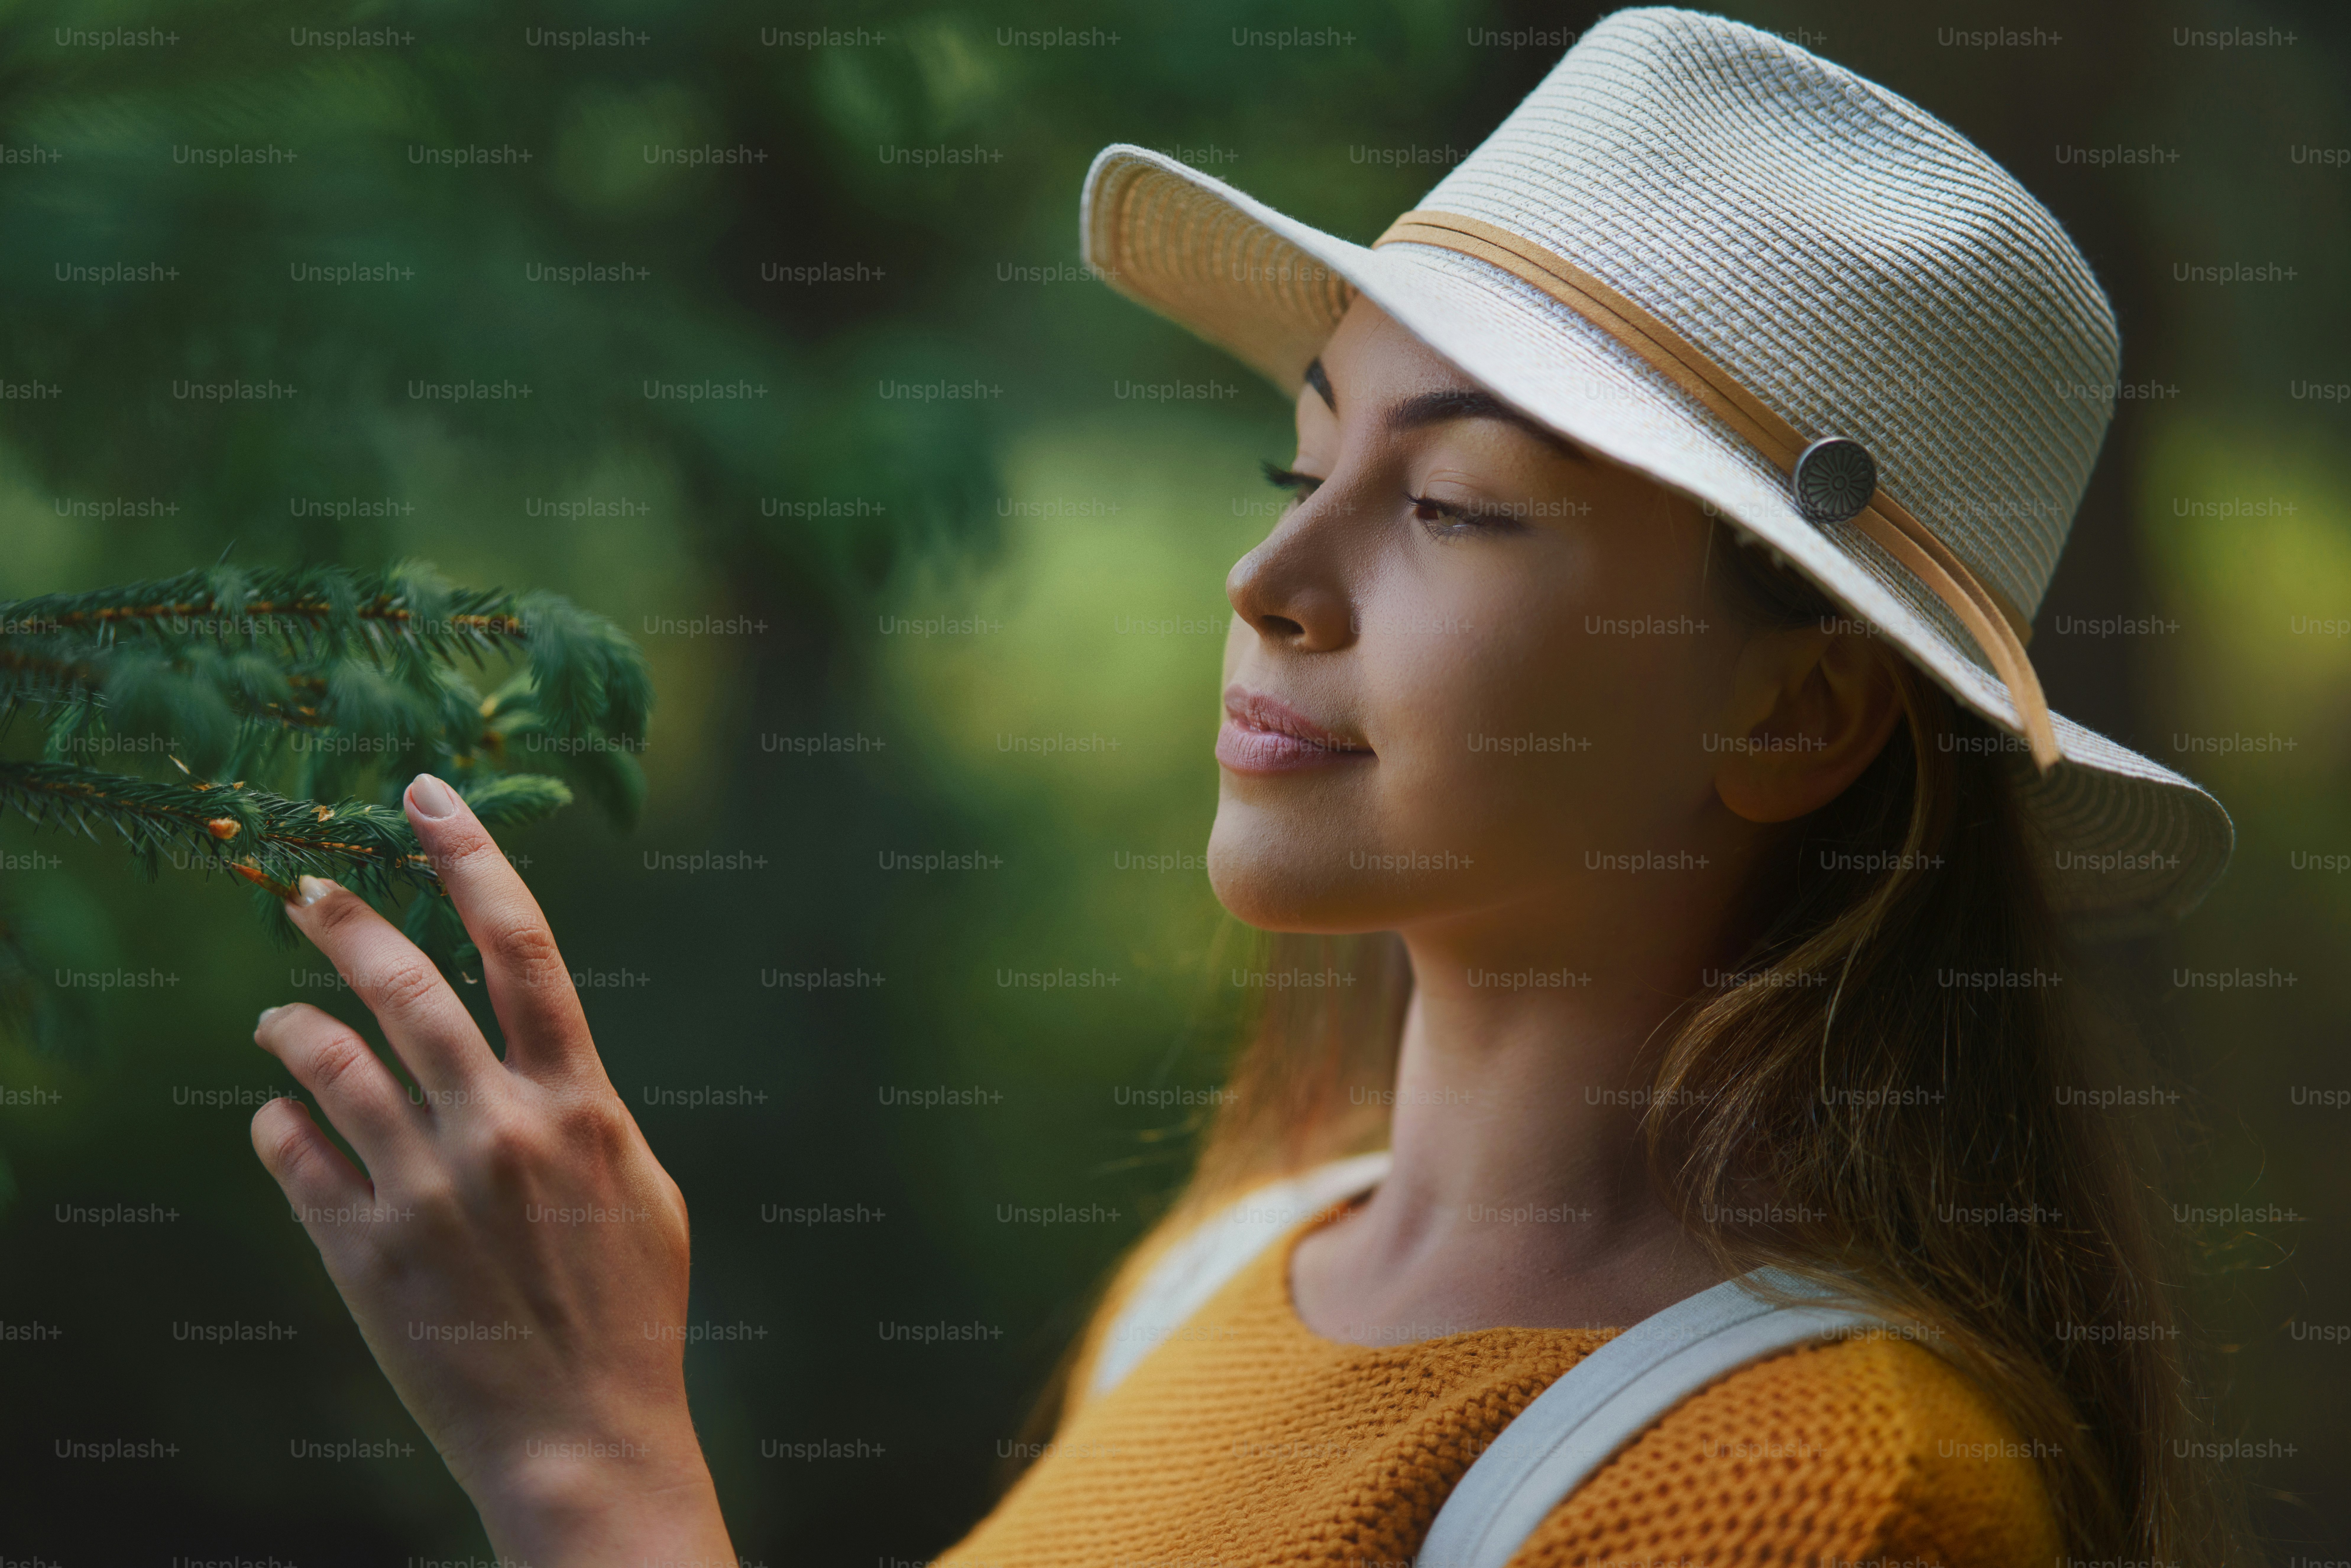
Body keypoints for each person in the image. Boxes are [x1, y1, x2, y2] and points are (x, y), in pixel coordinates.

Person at [245, 9, 2242, 1564]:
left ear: (1800, 717)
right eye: (1306, 471)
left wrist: (598, 1480)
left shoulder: (1820, 1490)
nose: (1271, 580)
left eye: (1451, 504)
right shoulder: (1219, 1268)